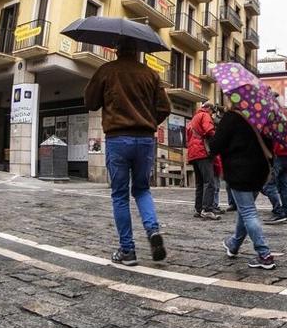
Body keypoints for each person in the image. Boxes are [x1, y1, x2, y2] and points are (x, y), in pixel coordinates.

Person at [84, 41, 171, 266]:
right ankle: (152, 231)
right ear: (138, 51)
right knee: (142, 189)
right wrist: (149, 121)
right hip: (144, 140)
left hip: (118, 139)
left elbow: (90, 102)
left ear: (116, 49)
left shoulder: (107, 70)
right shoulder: (151, 74)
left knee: (119, 195)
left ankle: (128, 251)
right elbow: (165, 107)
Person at [208, 99, 275, 270]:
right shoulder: (259, 117)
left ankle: (264, 254)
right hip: (259, 171)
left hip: (239, 171)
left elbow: (215, 145)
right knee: (245, 209)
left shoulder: (231, 117)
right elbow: (270, 144)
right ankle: (233, 245)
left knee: (248, 211)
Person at [186, 101, 220, 220]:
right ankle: (207, 210)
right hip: (202, 152)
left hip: (193, 153)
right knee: (209, 182)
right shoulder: (205, 115)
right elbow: (209, 130)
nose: (212, 115)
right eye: (213, 112)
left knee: (200, 183)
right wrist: (218, 137)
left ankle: (198, 209)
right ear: (209, 109)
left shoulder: (194, 118)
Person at [261, 134, 287, 224]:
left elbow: (271, 137)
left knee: (268, 185)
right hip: (286, 156)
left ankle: (279, 212)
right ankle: (286, 214)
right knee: (284, 185)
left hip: (277, 156)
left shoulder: (275, 120)